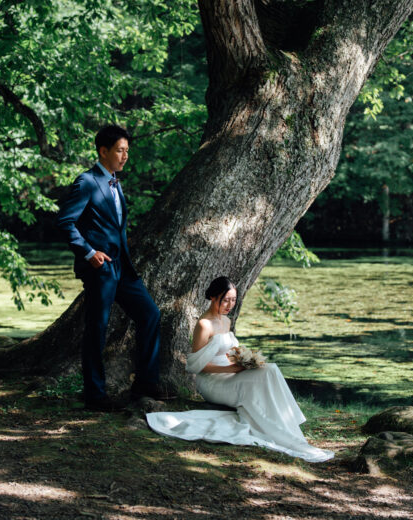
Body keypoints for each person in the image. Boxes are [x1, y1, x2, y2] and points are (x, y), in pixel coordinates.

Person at [146, 277, 333, 462]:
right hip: (211, 381)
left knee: (269, 369)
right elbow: (196, 366)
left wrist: (245, 360)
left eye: (233, 300)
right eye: (225, 299)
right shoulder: (204, 325)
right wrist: (232, 369)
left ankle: (287, 420)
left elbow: (227, 351)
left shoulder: (226, 321)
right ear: (213, 297)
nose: (229, 304)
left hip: (230, 373)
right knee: (258, 379)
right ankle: (273, 425)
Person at [56, 124, 172, 411]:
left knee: (150, 314)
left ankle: (145, 383)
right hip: (100, 269)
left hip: (123, 269)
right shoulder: (86, 182)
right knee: (97, 329)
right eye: (120, 150)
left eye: (127, 151)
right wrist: (87, 252)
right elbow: (65, 222)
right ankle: (95, 396)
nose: (125, 156)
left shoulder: (115, 183)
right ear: (103, 151)